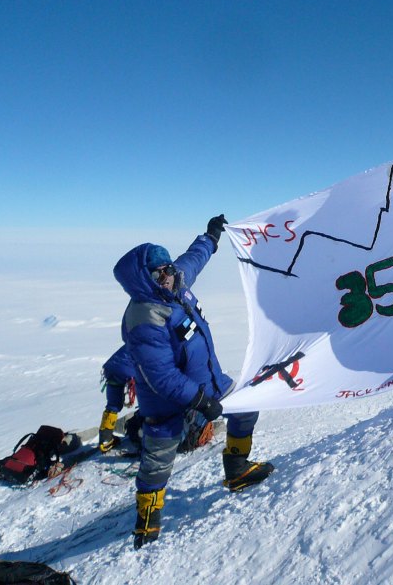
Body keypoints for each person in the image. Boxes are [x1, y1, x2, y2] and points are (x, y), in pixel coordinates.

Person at [113, 215, 274, 549]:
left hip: (209, 380)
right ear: (146, 278)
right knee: (158, 460)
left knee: (246, 408)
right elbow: (162, 377)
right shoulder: (145, 317)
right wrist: (200, 402)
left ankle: (237, 470)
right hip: (168, 401)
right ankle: (147, 522)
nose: (169, 274)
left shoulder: (176, 283)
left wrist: (211, 236)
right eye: (162, 272)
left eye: (169, 268)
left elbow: (194, 257)